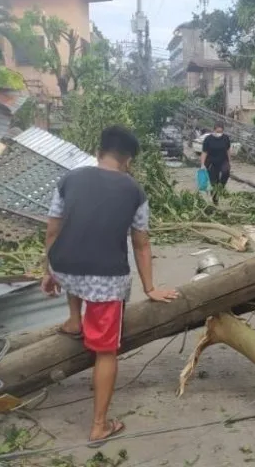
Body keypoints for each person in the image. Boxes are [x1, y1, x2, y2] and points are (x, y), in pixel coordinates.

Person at [41, 125, 179, 446]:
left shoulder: (69, 179)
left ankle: (75, 319)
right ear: (128, 160)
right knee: (106, 351)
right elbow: (141, 244)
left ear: (99, 151)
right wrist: (150, 288)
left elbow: (52, 231)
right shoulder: (134, 191)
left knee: (75, 255)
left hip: (66, 269)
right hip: (106, 279)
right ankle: (99, 426)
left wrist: (50, 269)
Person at [200, 122, 231, 204]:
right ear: (214, 130)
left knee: (226, 173)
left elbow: (228, 150)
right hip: (211, 162)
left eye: (221, 132)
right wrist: (202, 164)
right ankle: (215, 198)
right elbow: (204, 152)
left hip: (223, 160)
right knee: (214, 181)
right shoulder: (208, 139)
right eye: (217, 132)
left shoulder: (226, 138)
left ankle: (221, 188)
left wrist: (229, 161)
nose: (219, 133)